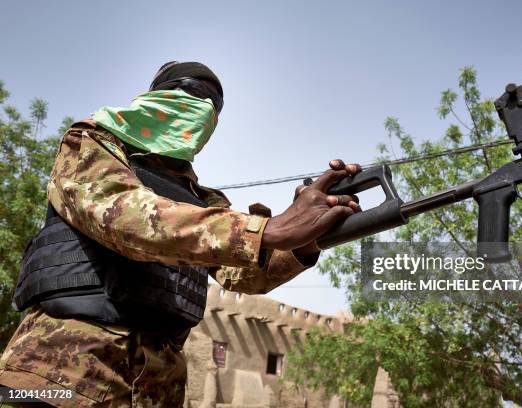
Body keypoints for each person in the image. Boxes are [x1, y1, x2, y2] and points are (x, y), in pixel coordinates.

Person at [0, 61, 361, 407]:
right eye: (192, 90)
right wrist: (268, 230)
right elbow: (125, 217)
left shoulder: (203, 201)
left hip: (158, 385)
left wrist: (306, 239)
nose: (204, 107)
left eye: (214, 104)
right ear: (155, 95)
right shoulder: (90, 144)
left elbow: (242, 276)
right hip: (67, 368)